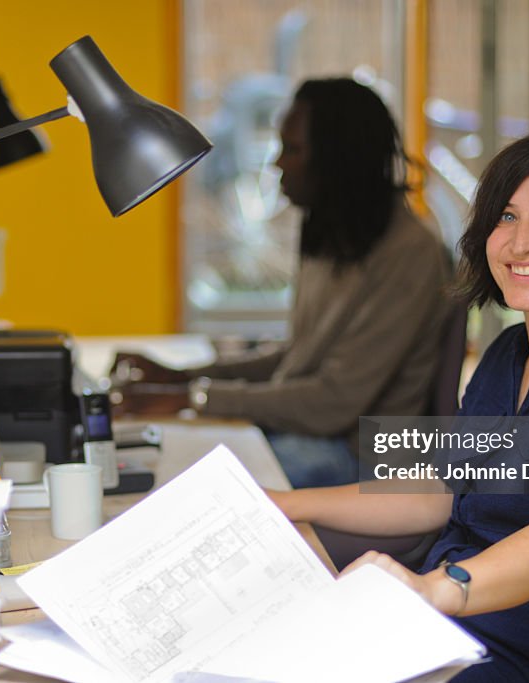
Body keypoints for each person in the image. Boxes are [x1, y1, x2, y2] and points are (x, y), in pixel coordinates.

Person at [268, 129, 529, 681]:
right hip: (450, 625)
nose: (520, 243)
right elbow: (441, 492)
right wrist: (286, 504)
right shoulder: (507, 356)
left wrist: (435, 588)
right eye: (506, 217)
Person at [112, 78, 453, 489]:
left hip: (361, 458)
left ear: (336, 160)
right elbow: (298, 359)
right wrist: (180, 377)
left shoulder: (410, 253)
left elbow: (334, 401)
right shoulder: (335, 234)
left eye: (292, 149)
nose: (277, 164)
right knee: (165, 459)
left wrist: (193, 397)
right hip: (314, 434)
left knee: (195, 483)